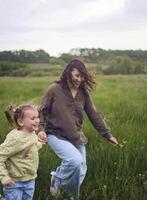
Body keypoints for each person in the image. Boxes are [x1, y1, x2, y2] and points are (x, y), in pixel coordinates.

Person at [37, 59, 119, 198]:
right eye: (76, 76)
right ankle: (57, 179)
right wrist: (40, 130)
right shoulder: (54, 89)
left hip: (75, 136)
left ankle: (70, 196)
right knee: (74, 161)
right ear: (68, 73)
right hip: (55, 134)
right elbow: (42, 111)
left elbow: (94, 115)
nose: (79, 79)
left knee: (81, 169)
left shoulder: (83, 93)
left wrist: (107, 135)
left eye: (82, 76)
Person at [0, 104, 45, 200]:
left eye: (38, 117)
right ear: (21, 122)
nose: (37, 120)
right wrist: (4, 177)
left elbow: (29, 149)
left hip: (30, 179)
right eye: (33, 118)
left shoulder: (31, 132)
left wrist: (39, 143)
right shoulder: (15, 139)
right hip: (14, 181)